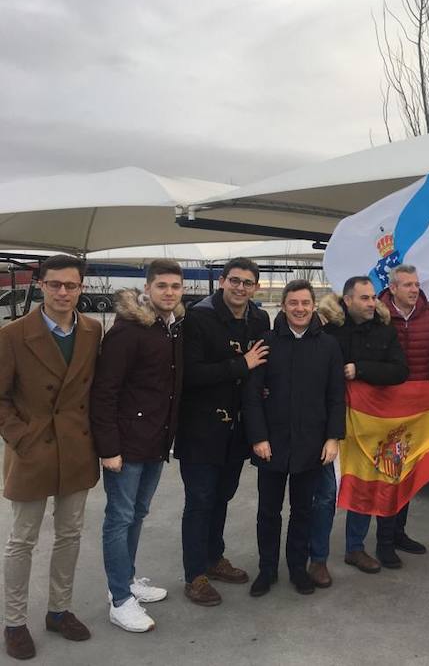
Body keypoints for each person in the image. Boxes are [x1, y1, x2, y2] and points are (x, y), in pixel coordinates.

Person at [0, 255, 101, 660]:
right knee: (22, 540)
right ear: (40, 285)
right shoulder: (12, 335)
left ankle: (59, 611)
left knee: (70, 534)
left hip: (76, 446)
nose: (63, 292)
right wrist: (20, 436)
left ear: (81, 288)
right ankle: (14, 620)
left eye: (71, 285)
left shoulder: (94, 330)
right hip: (32, 447)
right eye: (55, 284)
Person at [91, 259, 185, 632]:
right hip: (126, 444)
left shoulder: (172, 328)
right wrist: (108, 447)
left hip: (156, 441)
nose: (169, 292)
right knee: (119, 518)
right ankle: (119, 599)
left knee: (138, 513)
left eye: (175, 286)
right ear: (147, 288)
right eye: (161, 286)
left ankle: (127, 580)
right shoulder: (127, 331)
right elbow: (105, 392)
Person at [175, 258, 271, 606]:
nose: (240, 287)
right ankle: (194, 574)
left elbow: (262, 368)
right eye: (234, 280)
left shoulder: (259, 318)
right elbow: (190, 375)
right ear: (222, 282)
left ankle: (214, 558)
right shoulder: (197, 318)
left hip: (237, 429)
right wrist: (239, 365)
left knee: (222, 498)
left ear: (256, 287)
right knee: (199, 502)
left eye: (248, 282)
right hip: (200, 428)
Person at [243, 280, 345, 598]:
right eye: (293, 303)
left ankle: (298, 568)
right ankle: (267, 569)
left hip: (312, 445)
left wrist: (333, 438)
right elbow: (251, 396)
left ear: (313, 306)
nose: (299, 309)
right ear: (283, 306)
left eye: (305, 303)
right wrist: (258, 437)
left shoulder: (328, 346)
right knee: (268, 512)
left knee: (303, 510)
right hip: (271, 444)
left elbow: (335, 397)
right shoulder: (267, 342)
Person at [315, 277, 409, 577]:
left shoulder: (384, 330)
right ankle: (317, 557)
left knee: (364, 485)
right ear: (347, 301)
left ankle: (355, 548)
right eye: (365, 298)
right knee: (327, 492)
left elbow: (399, 370)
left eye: (373, 298)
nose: (372, 303)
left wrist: (361, 369)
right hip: (331, 422)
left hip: (370, 424)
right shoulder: (327, 330)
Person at [378, 264, 429, 555]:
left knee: (408, 472)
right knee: (388, 472)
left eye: (416, 284)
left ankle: (398, 532)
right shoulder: (378, 315)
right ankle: (384, 541)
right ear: (393, 288)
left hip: (417, 409)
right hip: (386, 407)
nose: (414, 289)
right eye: (408, 285)